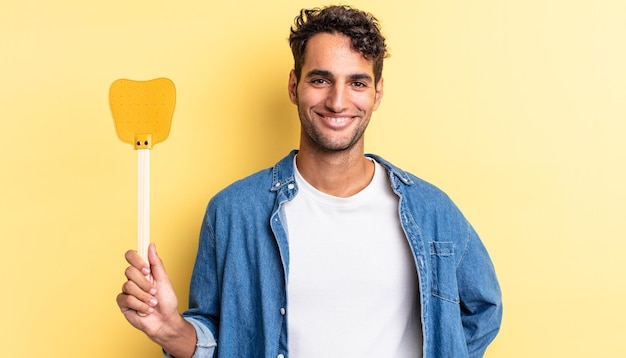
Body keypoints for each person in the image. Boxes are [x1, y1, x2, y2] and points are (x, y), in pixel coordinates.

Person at [116, 5, 502, 358]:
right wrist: (171, 331)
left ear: (377, 93)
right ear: (293, 85)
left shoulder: (431, 210)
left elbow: (484, 309)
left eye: (357, 83)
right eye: (320, 80)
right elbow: (219, 338)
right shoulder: (233, 212)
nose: (337, 101)